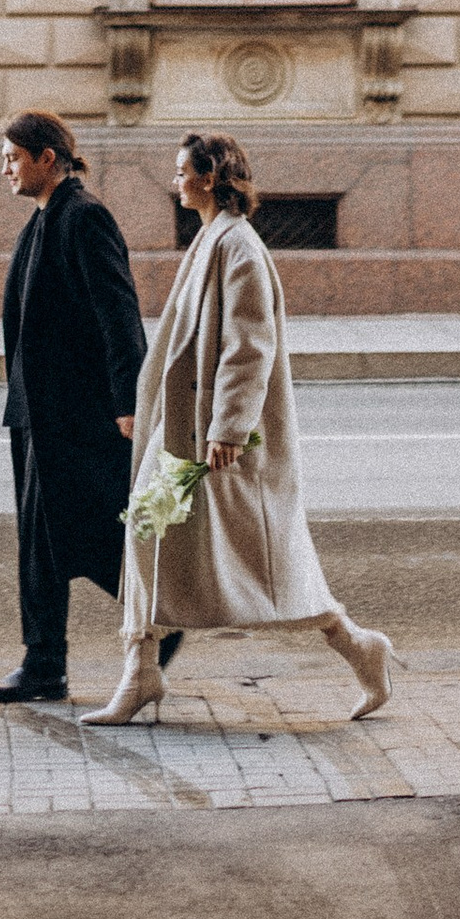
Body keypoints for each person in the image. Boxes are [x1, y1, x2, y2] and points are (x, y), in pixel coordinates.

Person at [84, 129, 394, 726]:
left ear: (210, 177)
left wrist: (227, 428)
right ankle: (141, 670)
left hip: (216, 441)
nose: (175, 181)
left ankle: (359, 646)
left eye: (182, 172)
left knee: (266, 563)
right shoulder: (213, 238)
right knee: (147, 530)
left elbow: (250, 347)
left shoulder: (238, 246)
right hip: (185, 432)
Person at [0, 109, 150, 705]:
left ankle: (163, 614)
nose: (5, 169)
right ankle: (44, 663)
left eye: (12, 157)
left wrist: (128, 398)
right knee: (42, 543)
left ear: (48, 157)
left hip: (76, 414)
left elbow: (118, 314)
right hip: (38, 411)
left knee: (92, 530)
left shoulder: (84, 216)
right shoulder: (46, 218)